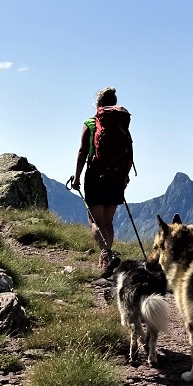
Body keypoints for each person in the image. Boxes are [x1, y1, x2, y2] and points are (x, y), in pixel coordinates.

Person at [68, 87, 133, 269]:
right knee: (107, 221)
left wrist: (77, 176)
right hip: (117, 177)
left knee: (95, 221)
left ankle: (106, 253)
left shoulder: (91, 123)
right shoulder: (122, 126)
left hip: (96, 176)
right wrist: (124, 176)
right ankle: (108, 258)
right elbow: (129, 154)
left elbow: (82, 152)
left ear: (98, 104)